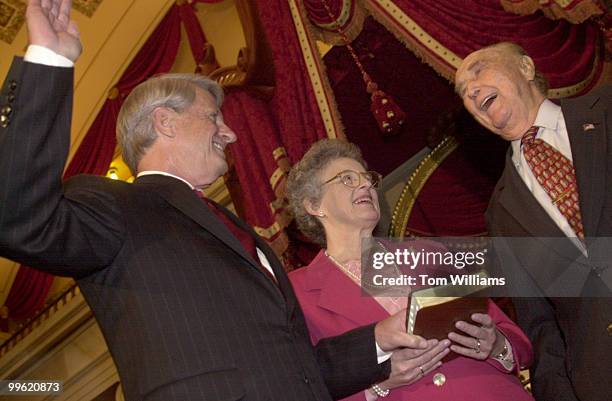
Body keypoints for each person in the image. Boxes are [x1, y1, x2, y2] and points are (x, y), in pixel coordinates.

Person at [0, 1, 434, 400]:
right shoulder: (114, 204)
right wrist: (50, 57)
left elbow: (297, 365)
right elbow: (17, 218)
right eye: (213, 118)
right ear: (164, 122)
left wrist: (376, 338)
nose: (230, 133)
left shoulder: (243, 235)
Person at [286, 139, 535, 401]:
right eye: (347, 179)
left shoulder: (429, 252)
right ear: (314, 205)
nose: (365, 184)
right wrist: (378, 385)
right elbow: (303, 387)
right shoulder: (297, 294)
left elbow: (518, 343)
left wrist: (495, 344)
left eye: (367, 177)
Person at [455, 42, 612, 401]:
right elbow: (539, 325)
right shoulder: (500, 212)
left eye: (479, 71)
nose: (472, 89)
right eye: (464, 92)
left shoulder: (606, 110)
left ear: (525, 67)